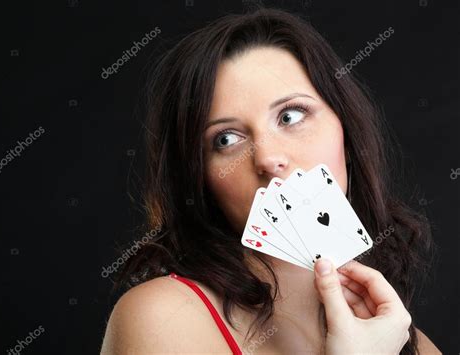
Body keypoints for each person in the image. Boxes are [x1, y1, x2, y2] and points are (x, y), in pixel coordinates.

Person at [100, 7, 441, 354]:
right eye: (226, 139)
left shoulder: (414, 344)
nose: (266, 158)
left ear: (347, 137)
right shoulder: (163, 317)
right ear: (199, 178)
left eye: (291, 116)